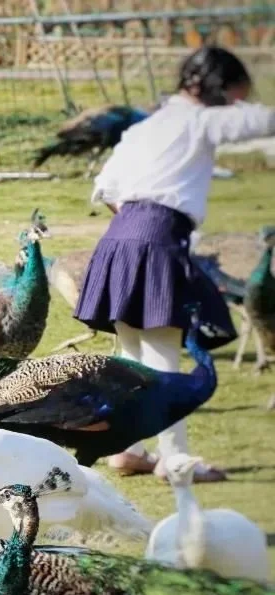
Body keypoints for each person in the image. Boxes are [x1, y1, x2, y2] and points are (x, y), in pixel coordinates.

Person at [74, 46, 275, 483]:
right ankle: (174, 460)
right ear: (222, 90)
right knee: (163, 356)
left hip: (119, 237)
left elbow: (104, 188)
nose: (240, 102)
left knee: (131, 353)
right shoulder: (200, 119)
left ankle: (127, 450)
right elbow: (261, 121)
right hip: (157, 238)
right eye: (237, 94)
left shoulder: (146, 126)